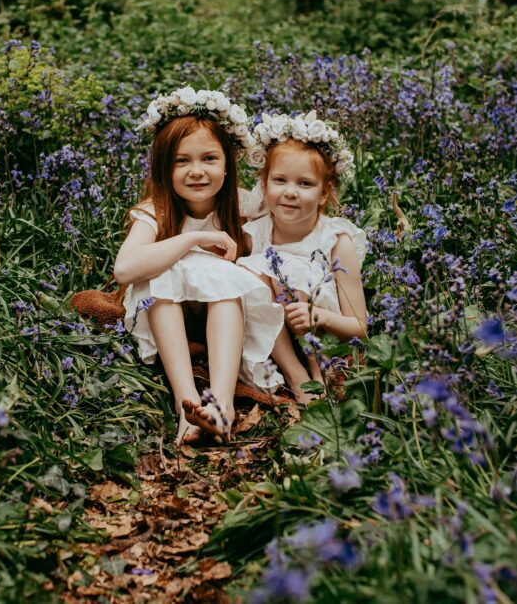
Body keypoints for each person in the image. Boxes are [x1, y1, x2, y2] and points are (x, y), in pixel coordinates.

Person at [114, 87, 284, 445]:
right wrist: (192, 240)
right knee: (157, 276)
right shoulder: (155, 211)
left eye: (209, 158)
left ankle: (221, 405)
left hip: (223, 316)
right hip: (166, 314)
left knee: (226, 285)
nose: (196, 171)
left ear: (227, 165)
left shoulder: (244, 207)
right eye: (181, 161)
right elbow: (125, 270)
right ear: (165, 167)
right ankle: (185, 403)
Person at [237, 111, 368, 404]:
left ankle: (319, 373)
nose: (290, 192)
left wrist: (320, 316)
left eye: (305, 184)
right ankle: (296, 375)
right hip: (277, 340)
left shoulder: (335, 241)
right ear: (265, 184)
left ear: (324, 193)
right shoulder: (255, 233)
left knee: (291, 271)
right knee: (246, 273)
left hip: (325, 338)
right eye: (280, 180)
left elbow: (359, 326)